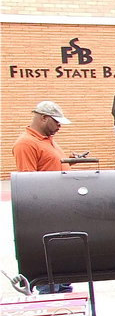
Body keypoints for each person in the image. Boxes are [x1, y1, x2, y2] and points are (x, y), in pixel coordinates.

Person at [13, 102, 74, 294]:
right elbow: (28, 183)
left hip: (60, 210)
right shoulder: (26, 143)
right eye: (56, 122)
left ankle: (64, 295)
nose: (59, 126)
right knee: (49, 274)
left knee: (63, 268)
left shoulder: (47, 140)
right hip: (46, 215)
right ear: (43, 118)